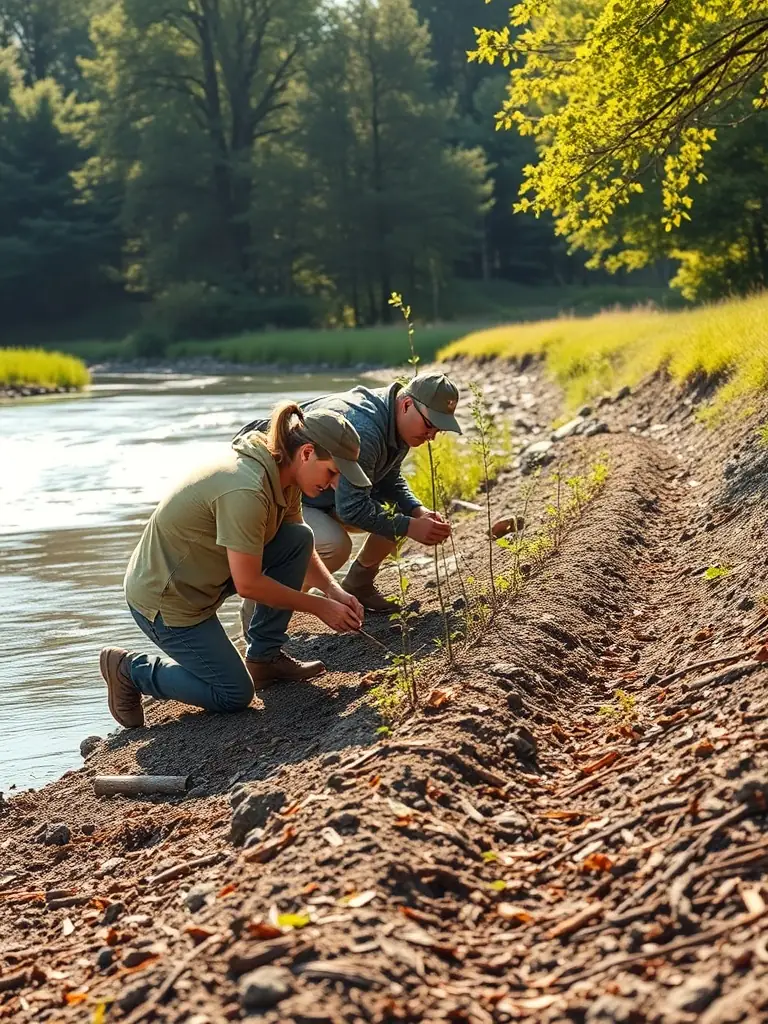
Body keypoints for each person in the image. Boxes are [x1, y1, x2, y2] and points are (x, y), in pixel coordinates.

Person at [99, 403, 370, 729]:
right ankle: (131, 670)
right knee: (233, 693)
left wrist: (333, 590)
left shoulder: (286, 476)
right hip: (168, 601)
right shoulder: (246, 489)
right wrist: (318, 607)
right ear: (307, 453)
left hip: (206, 580)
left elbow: (298, 544)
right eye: (333, 472)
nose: (335, 484)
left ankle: (265, 658)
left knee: (298, 537)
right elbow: (249, 585)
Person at [237, 371, 462, 622]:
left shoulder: (400, 422)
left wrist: (417, 511)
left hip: (322, 492)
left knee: (394, 510)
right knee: (334, 546)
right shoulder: (365, 429)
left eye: (439, 430)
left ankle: (358, 584)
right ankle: (260, 618)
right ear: (407, 404)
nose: (431, 436)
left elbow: (388, 478)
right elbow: (351, 508)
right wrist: (410, 526)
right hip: (289, 493)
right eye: (430, 425)